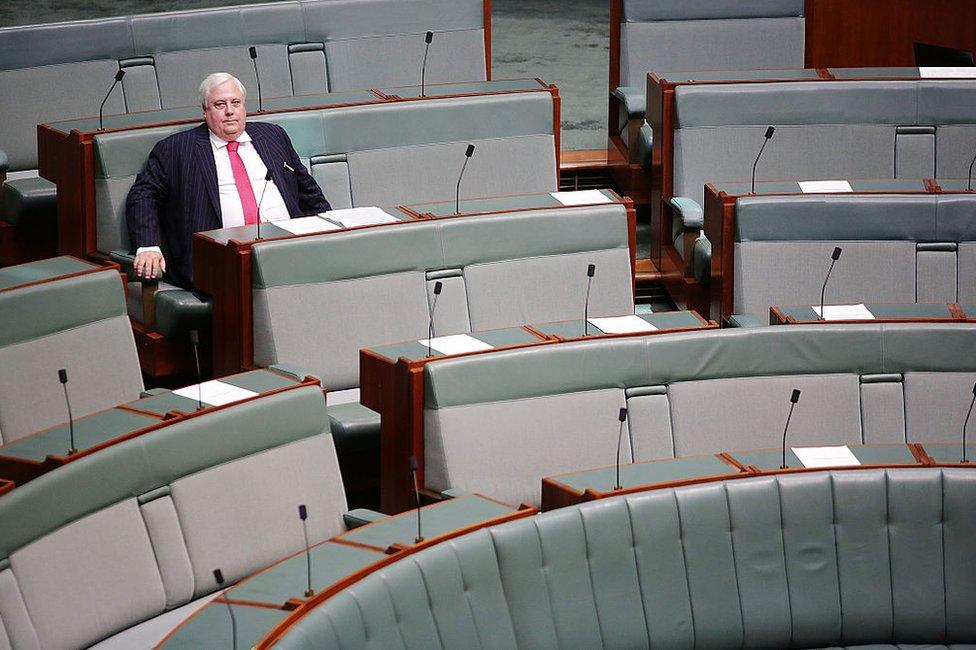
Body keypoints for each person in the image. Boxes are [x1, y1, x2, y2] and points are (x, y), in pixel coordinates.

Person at [126, 72, 330, 288]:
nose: (230, 111)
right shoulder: (176, 149)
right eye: (220, 104)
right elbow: (143, 195)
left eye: (236, 103)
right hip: (222, 262)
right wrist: (147, 246)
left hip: (288, 248)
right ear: (205, 111)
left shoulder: (273, 136)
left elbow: (307, 190)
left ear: (244, 107)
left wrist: (332, 229)